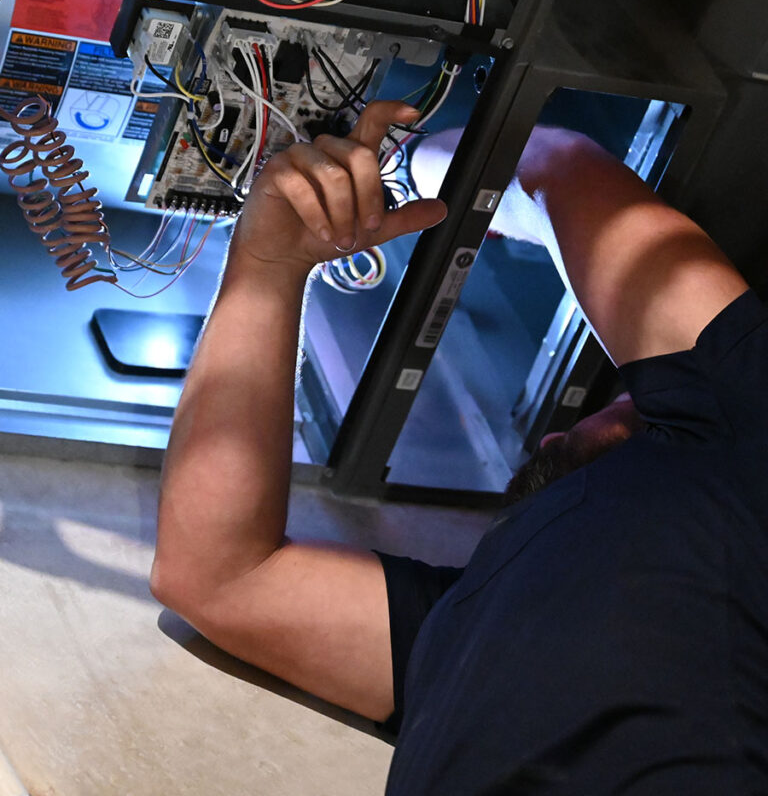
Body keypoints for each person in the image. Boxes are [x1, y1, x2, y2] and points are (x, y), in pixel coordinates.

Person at [150, 100, 767, 794]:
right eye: (630, 395)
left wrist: (280, 255)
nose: (557, 430)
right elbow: (550, 168)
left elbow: (220, 579)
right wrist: (303, 238)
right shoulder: (742, 429)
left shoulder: (463, 628)